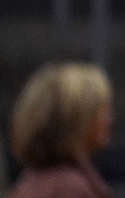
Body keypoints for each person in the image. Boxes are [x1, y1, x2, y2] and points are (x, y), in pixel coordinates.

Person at [6, 63, 114, 198]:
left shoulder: (32, 183)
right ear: (78, 119)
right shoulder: (70, 189)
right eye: (102, 110)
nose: (109, 119)